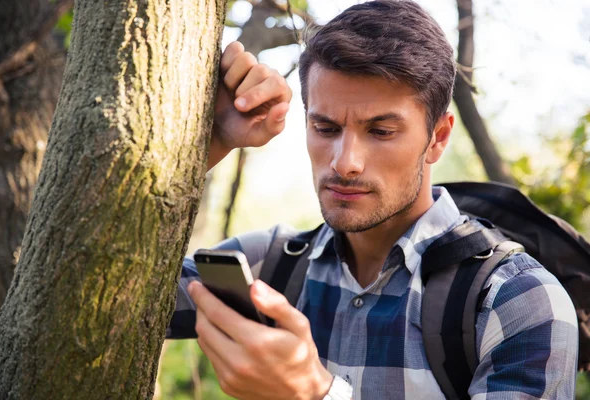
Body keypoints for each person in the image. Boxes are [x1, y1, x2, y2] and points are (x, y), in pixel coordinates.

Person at [166, 1, 579, 399]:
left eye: (381, 132)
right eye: (325, 128)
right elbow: (111, 291)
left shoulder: (518, 301)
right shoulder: (270, 266)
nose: (345, 163)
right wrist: (209, 142)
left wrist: (316, 395)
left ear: (437, 137)